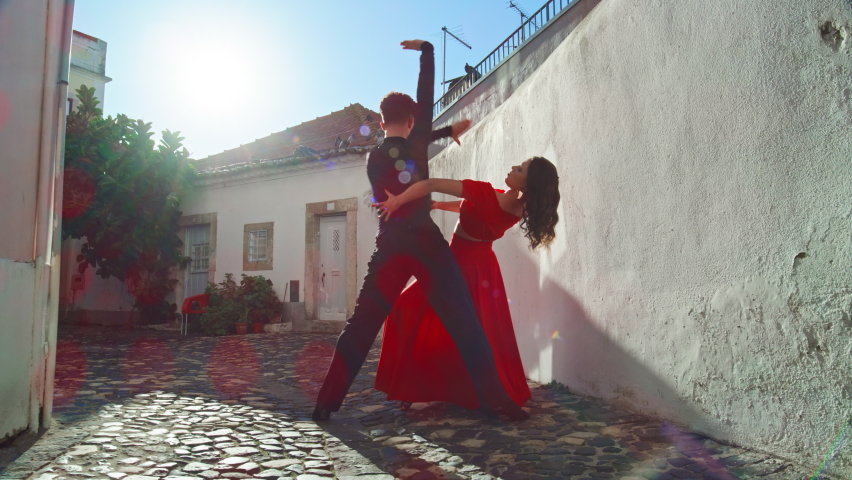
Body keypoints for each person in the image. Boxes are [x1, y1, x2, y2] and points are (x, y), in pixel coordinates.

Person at [311, 39, 529, 422]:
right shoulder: (416, 145)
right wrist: (427, 52)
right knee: (464, 322)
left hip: (392, 243)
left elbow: (414, 130)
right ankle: (500, 402)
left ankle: (324, 404)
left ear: (381, 123)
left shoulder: (373, 158)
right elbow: (425, 98)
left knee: (362, 324)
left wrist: (443, 131)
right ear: (412, 121)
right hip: (427, 242)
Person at [373, 157, 560, 410]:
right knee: (477, 330)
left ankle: (411, 385)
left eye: (519, 169)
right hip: (483, 269)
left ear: (528, 183)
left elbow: (429, 184)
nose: (512, 167)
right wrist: (439, 205)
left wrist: (397, 201)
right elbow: (471, 207)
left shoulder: (485, 192)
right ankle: (430, 386)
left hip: (456, 266)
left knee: (407, 308)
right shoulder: (521, 207)